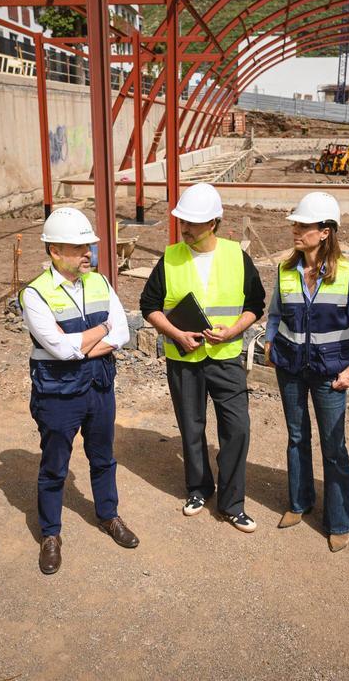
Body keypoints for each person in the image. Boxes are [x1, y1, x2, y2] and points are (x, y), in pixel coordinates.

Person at [139, 183, 266, 532]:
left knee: (237, 429)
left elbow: (255, 304)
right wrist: (176, 334)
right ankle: (198, 489)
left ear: (214, 222)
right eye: (182, 221)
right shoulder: (170, 257)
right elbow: (148, 306)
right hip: (183, 359)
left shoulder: (237, 256)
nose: (185, 228)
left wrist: (234, 330)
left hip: (225, 357)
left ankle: (232, 502)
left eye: (193, 223)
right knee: (191, 428)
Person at [20, 207, 138, 575]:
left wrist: (88, 342)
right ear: (55, 250)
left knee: (103, 457)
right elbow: (59, 349)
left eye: (89, 245)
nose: (89, 252)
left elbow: (123, 334)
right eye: (79, 247)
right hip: (58, 394)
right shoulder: (35, 294)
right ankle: (51, 534)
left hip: (99, 386)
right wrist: (100, 333)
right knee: (55, 466)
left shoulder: (100, 283)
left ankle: (109, 515)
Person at [265, 192, 349, 552]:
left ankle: (340, 520)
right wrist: (269, 342)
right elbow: (276, 314)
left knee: (334, 446)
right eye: (295, 223)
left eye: (303, 225)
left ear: (325, 231)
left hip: (331, 373)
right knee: (297, 437)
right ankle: (299, 503)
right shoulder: (285, 270)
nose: (296, 229)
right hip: (290, 367)